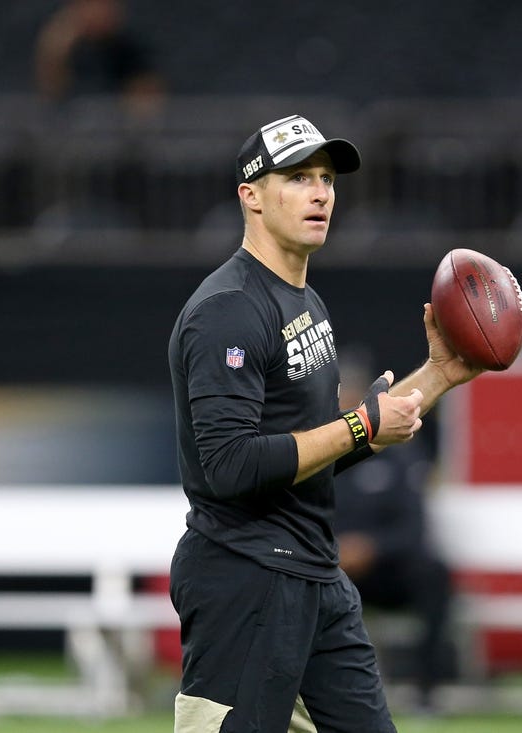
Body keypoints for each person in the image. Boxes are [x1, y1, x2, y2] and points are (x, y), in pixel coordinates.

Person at [167, 114, 481, 732]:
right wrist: (362, 425)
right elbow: (229, 466)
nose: (320, 194)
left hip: (314, 576)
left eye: (327, 179)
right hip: (245, 575)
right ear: (250, 196)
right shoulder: (228, 310)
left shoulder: (306, 301)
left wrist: (438, 375)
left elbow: (320, 447)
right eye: (297, 177)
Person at [333, 353, 455, 713]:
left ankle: (426, 691)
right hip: (330, 565)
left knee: (433, 574)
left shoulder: (397, 448)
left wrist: (370, 548)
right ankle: (311, 691)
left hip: (386, 568)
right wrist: (336, 551)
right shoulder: (316, 449)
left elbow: (413, 527)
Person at [34, 0, 166, 116]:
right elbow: (51, 94)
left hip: (115, 133)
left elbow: (147, 105)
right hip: (72, 129)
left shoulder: (130, 49)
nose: (98, 12)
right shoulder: (65, 46)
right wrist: (55, 45)